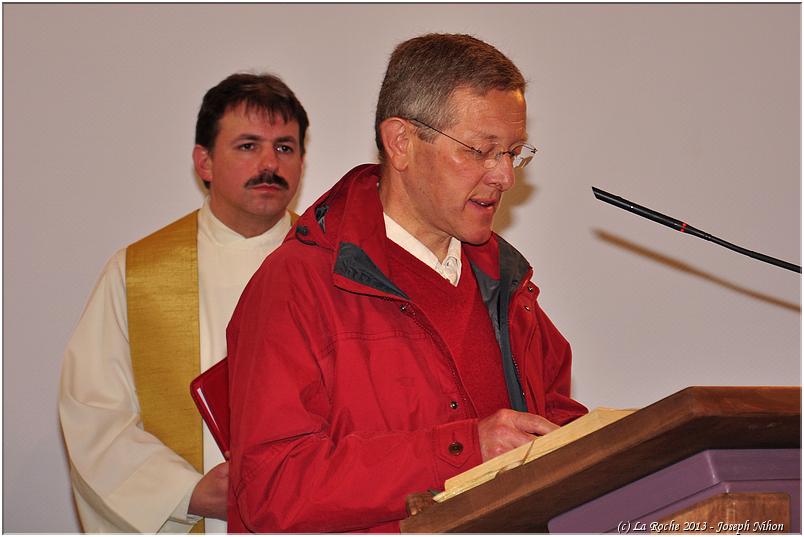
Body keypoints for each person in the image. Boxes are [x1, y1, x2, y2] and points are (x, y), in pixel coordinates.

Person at [226, 34, 588, 533]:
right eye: (482, 151)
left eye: (513, 153)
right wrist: (462, 450)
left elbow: (554, 416)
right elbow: (271, 490)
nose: (504, 175)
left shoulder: (503, 279)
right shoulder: (297, 285)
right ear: (401, 142)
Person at [59, 72, 309, 533]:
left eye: (285, 147)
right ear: (205, 162)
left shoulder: (334, 265)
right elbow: (93, 411)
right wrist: (187, 493)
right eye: (248, 145)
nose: (270, 162)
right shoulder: (137, 273)